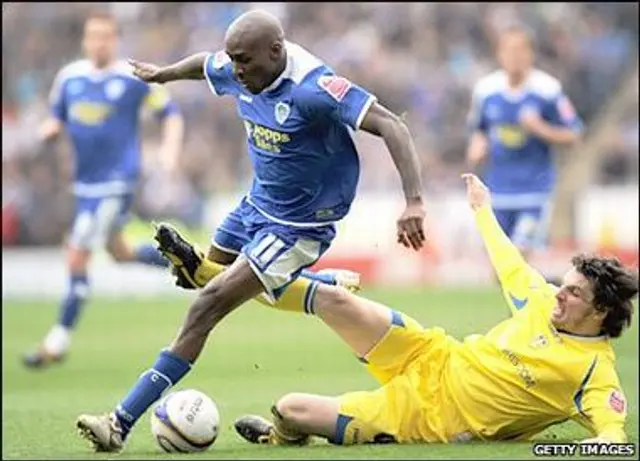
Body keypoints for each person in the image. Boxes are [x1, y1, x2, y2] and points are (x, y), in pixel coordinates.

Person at [75, 9, 426, 452]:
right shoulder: (237, 66)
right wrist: (164, 75)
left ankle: (119, 423)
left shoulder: (314, 89)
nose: (237, 72)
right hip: (254, 206)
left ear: (275, 51)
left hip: (300, 225)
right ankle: (319, 284)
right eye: (233, 61)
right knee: (195, 278)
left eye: (245, 61)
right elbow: (204, 63)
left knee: (208, 304)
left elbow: (392, 124)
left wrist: (413, 201)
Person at [231, 173, 636, 447]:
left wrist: (565, 451)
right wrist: (481, 209)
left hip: (424, 417)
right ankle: (223, 280)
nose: (558, 295)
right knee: (335, 298)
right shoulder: (543, 300)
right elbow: (507, 260)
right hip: (430, 353)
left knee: (290, 407)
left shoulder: (593, 374)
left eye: (573, 293)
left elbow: (612, 437)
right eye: (563, 285)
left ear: (599, 310)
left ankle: (282, 437)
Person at [23, 12, 185, 369]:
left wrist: (169, 152)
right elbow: (57, 117)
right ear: (85, 40)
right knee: (121, 252)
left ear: (115, 40)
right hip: (84, 183)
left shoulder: (132, 78)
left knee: (77, 251)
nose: (99, 42)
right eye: (93, 36)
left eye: (106, 36)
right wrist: (49, 129)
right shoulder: (70, 78)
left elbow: (170, 113)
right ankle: (189, 265)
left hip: (118, 181)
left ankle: (57, 340)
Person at [466, 25, 583, 272]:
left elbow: (574, 134)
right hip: (497, 189)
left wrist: (539, 128)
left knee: (517, 258)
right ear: (499, 54)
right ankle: (518, 309)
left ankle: (530, 307)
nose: (515, 56)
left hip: (534, 189)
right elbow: (479, 130)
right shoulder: (486, 91)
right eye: (509, 50)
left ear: (530, 54)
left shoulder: (547, 90)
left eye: (520, 49)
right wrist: (478, 146)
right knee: (499, 268)